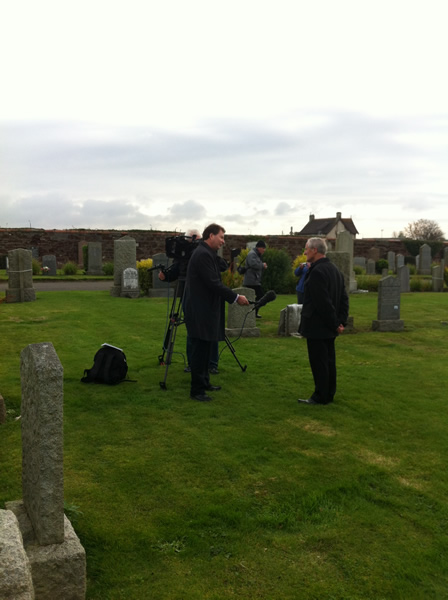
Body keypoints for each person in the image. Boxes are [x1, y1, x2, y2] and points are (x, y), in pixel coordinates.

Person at [183, 223, 249, 402]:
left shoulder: (207, 253)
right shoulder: (202, 254)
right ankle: (196, 390)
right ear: (210, 236)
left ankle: (204, 382)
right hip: (199, 310)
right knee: (199, 350)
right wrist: (235, 297)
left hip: (205, 309)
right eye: (221, 237)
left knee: (205, 348)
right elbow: (213, 283)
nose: (223, 242)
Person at [298, 237, 349, 405]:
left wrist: (336, 323)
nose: (305, 253)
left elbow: (323, 303)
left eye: (306, 249)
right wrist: (341, 321)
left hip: (318, 325)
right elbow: (343, 299)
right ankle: (328, 394)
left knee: (319, 362)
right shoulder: (335, 270)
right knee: (328, 361)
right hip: (329, 326)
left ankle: (320, 396)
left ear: (314, 250)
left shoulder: (318, 272)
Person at [243, 240, 268, 318]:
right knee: (260, 296)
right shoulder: (252, 254)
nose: (264, 250)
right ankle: (253, 313)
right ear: (259, 247)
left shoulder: (256, 254)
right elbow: (253, 264)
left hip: (254, 280)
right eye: (263, 248)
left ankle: (253, 313)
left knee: (257, 297)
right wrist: (262, 265)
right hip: (251, 281)